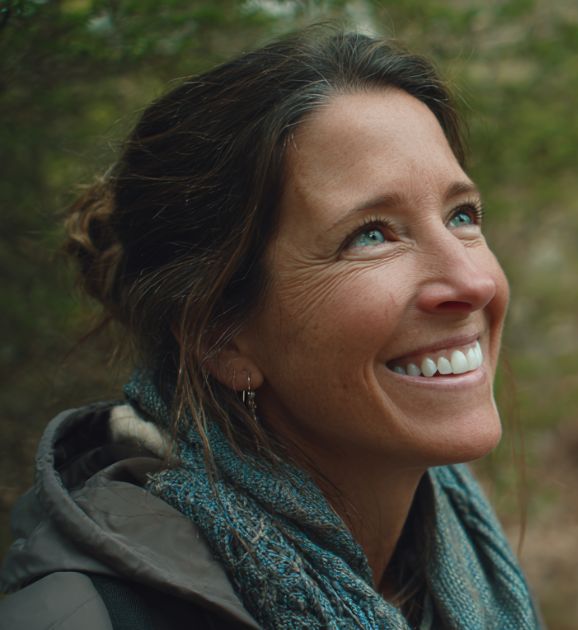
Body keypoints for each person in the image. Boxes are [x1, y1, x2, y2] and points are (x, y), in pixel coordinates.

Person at [0, 26, 541, 629]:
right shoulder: (75, 618)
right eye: (371, 234)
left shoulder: (465, 573)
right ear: (219, 334)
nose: (474, 283)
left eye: (461, 215)